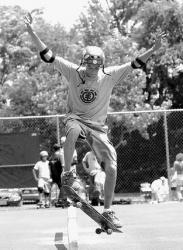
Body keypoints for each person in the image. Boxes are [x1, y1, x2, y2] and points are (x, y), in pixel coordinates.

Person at [24, 12, 165, 227]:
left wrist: (153, 50)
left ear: (101, 65)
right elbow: (48, 55)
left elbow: (135, 64)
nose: (91, 69)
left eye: (95, 66)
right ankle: (68, 174)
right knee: (71, 131)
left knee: (112, 165)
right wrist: (31, 32)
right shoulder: (73, 71)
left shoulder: (109, 75)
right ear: (83, 62)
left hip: (98, 127)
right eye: (88, 65)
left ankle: (108, 210)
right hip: (76, 118)